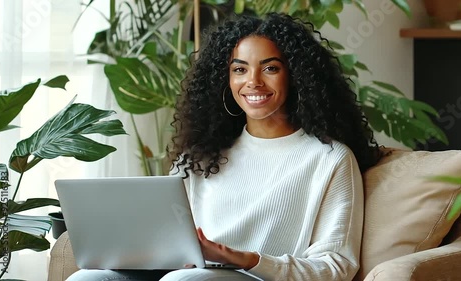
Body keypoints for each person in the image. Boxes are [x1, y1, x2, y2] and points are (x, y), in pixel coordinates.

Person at [67, 12, 382, 281]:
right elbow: (174, 242)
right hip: (190, 273)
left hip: (255, 276)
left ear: (296, 76)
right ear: (226, 78)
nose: (253, 82)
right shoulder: (202, 155)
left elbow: (336, 266)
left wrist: (246, 259)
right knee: (88, 277)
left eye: (270, 68)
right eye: (240, 69)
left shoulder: (328, 158)